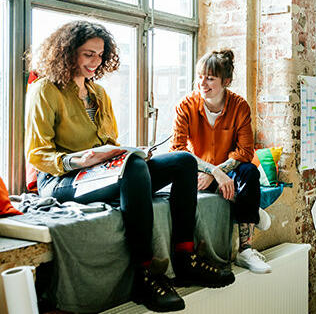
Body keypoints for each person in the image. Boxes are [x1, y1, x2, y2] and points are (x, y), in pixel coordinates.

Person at [25, 21, 234, 312]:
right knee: (133, 169)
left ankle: (186, 259)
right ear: (68, 52)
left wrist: (122, 153)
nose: (95, 62)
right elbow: (37, 153)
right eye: (88, 54)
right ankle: (144, 274)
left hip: (98, 172)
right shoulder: (45, 90)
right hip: (62, 178)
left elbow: (109, 141)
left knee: (183, 161)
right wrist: (78, 160)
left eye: (100, 55)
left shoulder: (98, 94)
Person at [172, 49, 272, 274]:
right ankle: (252, 210)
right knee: (184, 175)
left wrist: (217, 172)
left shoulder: (240, 106)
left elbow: (245, 151)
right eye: (199, 77)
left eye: (210, 78)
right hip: (199, 171)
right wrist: (210, 171)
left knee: (250, 172)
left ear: (226, 81)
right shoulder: (185, 106)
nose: (202, 83)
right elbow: (177, 150)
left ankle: (245, 250)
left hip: (230, 172)